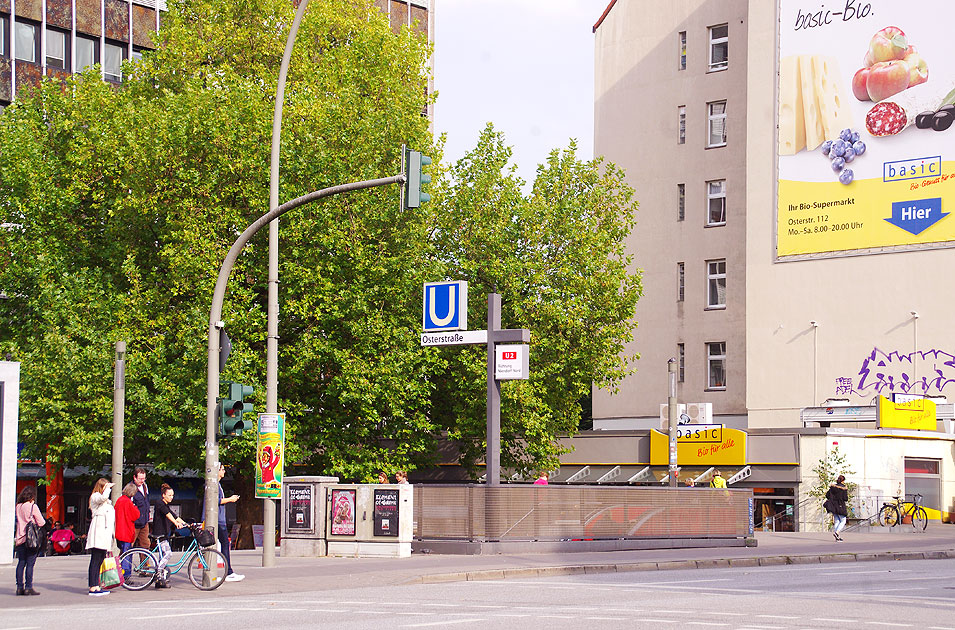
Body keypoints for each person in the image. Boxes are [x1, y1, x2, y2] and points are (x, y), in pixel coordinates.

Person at [208, 464, 244, 582]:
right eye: (222, 469)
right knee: (224, 544)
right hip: (218, 519)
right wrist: (230, 499)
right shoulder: (214, 485)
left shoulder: (217, 485)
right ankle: (228, 571)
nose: (224, 471)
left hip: (218, 519)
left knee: (221, 544)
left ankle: (225, 571)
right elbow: (215, 500)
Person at [152, 483, 187, 588]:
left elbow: (175, 516)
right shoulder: (160, 503)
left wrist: (187, 524)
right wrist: (176, 523)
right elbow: (168, 515)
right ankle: (158, 573)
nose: (171, 497)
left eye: (172, 495)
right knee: (168, 554)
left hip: (164, 534)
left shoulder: (166, 505)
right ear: (164, 495)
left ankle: (159, 582)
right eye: (169, 495)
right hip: (159, 533)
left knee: (162, 557)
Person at [86, 478, 115, 596]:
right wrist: (107, 488)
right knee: (95, 559)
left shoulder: (106, 503)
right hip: (98, 533)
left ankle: (96, 585)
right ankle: (93, 586)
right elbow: (102, 498)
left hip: (104, 534)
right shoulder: (96, 497)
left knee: (99, 560)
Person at [14, 486, 45, 596]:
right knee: (30, 564)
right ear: (32, 496)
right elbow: (41, 522)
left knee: (21, 562)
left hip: (20, 538)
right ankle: (28, 587)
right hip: (31, 539)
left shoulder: (18, 506)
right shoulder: (32, 506)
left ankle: (19, 587)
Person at [114, 483, 140, 580]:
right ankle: (126, 576)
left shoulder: (119, 500)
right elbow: (135, 515)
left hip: (119, 531)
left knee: (122, 553)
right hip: (127, 531)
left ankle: (121, 573)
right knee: (127, 555)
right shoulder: (128, 502)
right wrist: (135, 507)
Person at [131, 467, 151, 549]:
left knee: (145, 544)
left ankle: (145, 562)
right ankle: (124, 561)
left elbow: (147, 501)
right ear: (134, 477)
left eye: (144, 478)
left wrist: (148, 512)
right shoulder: (130, 488)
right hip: (134, 523)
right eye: (140, 479)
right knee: (129, 545)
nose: (142, 481)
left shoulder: (145, 487)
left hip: (144, 521)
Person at [826, 474, 850, 542]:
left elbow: (827, 495)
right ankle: (837, 532)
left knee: (837, 520)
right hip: (840, 505)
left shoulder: (833, 487)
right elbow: (845, 498)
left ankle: (837, 537)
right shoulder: (843, 488)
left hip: (833, 505)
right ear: (843, 481)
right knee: (843, 520)